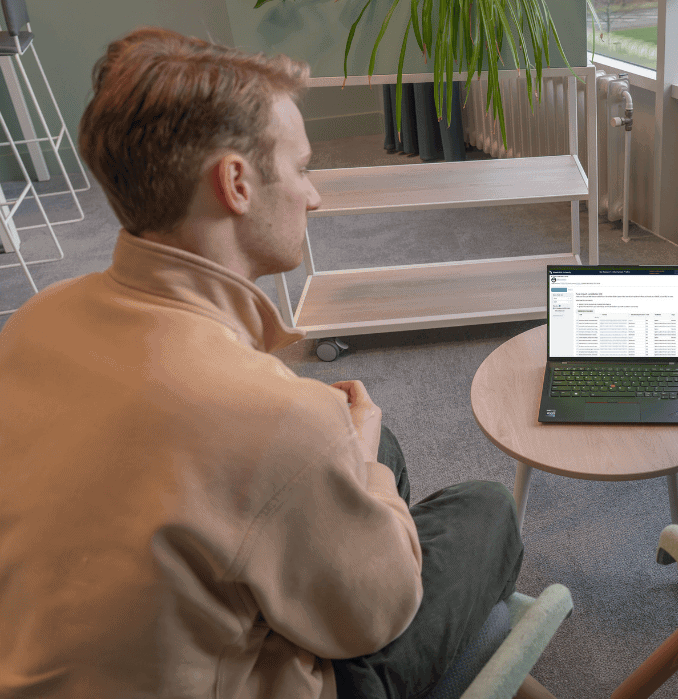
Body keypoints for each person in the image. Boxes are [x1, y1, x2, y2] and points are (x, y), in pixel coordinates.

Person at [0, 28, 522, 698]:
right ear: (237, 182)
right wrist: (360, 467)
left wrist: (357, 451)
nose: (314, 196)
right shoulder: (279, 418)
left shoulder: (36, 320)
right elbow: (373, 622)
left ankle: (320, 549)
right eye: (302, 169)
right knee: (485, 509)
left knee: (372, 440)